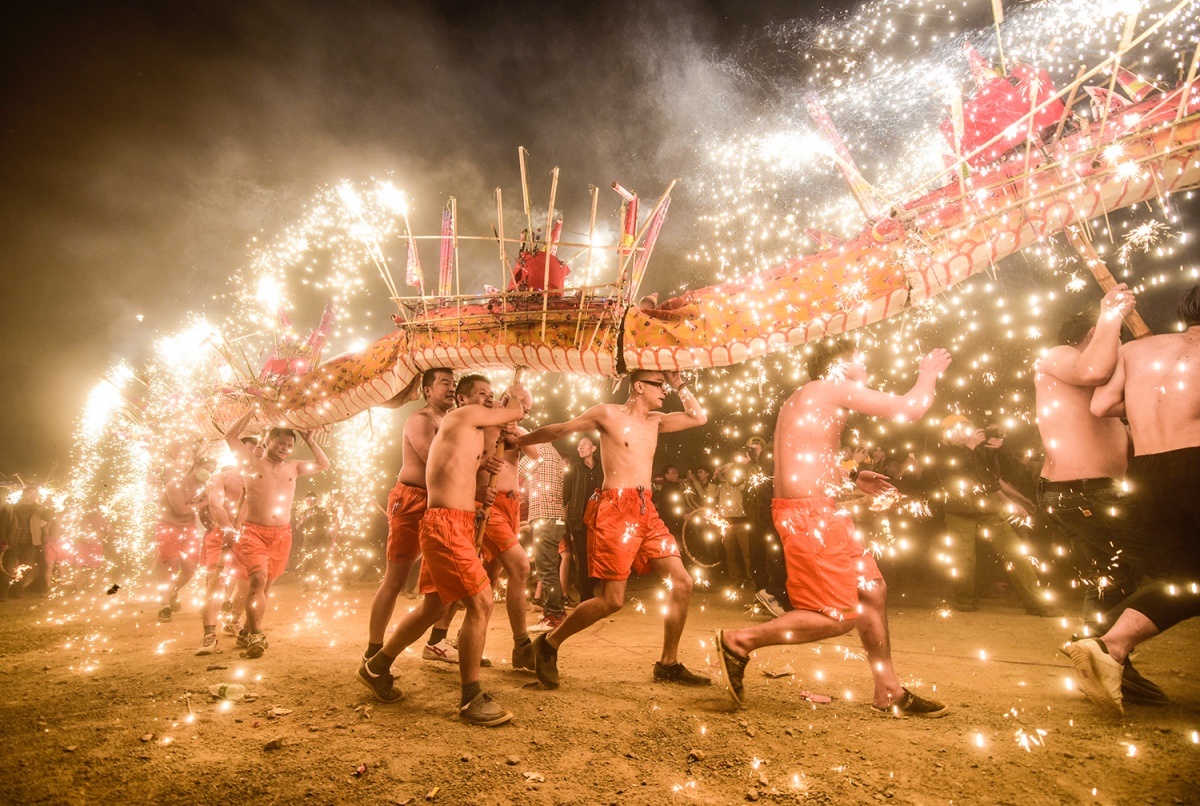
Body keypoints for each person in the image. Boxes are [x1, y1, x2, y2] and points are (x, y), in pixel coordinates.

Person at [715, 340, 952, 716]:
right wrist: (928, 372)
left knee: (872, 589)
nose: (866, 367)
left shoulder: (805, 395)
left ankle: (888, 691)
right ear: (840, 365)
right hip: (810, 517)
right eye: (860, 360)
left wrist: (854, 475)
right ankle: (739, 641)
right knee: (835, 616)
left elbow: (808, 456)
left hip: (820, 511)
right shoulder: (830, 386)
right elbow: (910, 409)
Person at [518, 369, 711, 690]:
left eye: (666, 385)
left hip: (646, 508)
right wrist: (519, 440)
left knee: (682, 582)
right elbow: (561, 429)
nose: (664, 391)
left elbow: (698, 417)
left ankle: (668, 663)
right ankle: (548, 645)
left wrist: (680, 384)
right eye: (659, 385)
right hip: (613, 510)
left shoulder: (656, 421)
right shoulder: (606, 413)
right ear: (638, 386)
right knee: (611, 601)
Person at [357, 375, 527, 727]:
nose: (488, 399)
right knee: (481, 601)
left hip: (459, 521)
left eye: (491, 395)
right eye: (482, 395)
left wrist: (483, 489)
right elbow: (515, 412)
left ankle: (376, 667)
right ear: (465, 399)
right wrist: (515, 399)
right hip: (445, 524)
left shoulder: (468, 430)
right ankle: (470, 697)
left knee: (435, 605)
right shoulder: (459, 418)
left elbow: (467, 468)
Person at [1065, 285, 1200, 715]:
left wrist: (1153, 400)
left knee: (1184, 578)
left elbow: (1102, 403)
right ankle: (1109, 644)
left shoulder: (1140, 350)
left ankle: (1108, 646)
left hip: (1149, 473)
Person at [1033, 286, 1166, 704]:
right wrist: (1112, 314)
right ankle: (1104, 651)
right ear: (1092, 331)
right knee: (1164, 565)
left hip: (1093, 491)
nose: (1119, 344)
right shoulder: (1054, 355)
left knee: (1114, 573)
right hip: (1080, 492)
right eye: (1112, 335)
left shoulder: (1100, 382)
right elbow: (1092, 369)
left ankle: (1103, 657)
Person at [364, 368, 468, 666]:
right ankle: (374, 649)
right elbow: (435, 462)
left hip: (442, 504)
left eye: (454, 383)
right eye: (444, 383)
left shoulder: (452, 422)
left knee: (448, 581)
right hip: (412, 500)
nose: (451, 388)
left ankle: (437, 642)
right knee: (395, 579)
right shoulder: (420, 420)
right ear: (427, 390)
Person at [225, 411, 330, 658]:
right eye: (280, 443)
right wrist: (252, 408)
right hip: (253, 532)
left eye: (290, 445)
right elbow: (230, 436)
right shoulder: (251, 463)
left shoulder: (293, 467)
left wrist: (310, 440)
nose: (285, 448)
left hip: (282, 534)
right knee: (258, 581)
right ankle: (257, 635)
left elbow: (324, 465)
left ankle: (248, 630)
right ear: (268, 441)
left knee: (267, 584)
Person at [935, 415, 1054, 615]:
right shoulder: (941, 452)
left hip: (989, 508)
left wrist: (1013, 498)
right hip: (959, 511)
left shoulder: (980, 450)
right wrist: (970, 448)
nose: (961, 432)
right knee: (963, 559)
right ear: (945, 435)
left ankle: (1036, 602)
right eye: (955, 429)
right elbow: (951, 473)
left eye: (964, 428)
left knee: (1016, 553)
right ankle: (964, 600)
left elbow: (992, 479)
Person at [476, 384, 538, 671]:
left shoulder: (520, 432)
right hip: (488, 504)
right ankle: (522, 645)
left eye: (527, 409)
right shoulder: (486, 425)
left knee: (489, 577)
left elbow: (536, 453)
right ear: (506, 400)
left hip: (512, 506)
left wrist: (518, 438)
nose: (523, 412)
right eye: (520, 404)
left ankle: (464, 639)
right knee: (521, 567)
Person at [195, 440, 257, 655]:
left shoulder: (259, 478)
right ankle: (209, 635)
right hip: (222, 535)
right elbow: (215, 504)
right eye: (245, 449)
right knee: (216, 581)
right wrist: (228, 527)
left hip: (248, 537)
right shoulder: (220, 477)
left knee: (248, 583)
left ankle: (233, 620)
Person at [154, 459, 215, 621]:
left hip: (189, 529)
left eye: (212, 470)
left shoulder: (204, 488)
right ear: (196, 466)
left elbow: (204, 511)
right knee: (171, 565)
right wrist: (205, 502)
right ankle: (164, 607)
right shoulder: (175, 485)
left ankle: (172, 592)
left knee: (190, 568)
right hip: (168, 527)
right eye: (207, 468)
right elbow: (181, 510)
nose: (208, 473)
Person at [742, 436, 789, 617]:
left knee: (775, 559)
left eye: (753, 445)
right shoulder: (756, 461)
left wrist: (749, 466)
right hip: (755, 520)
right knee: (756, 561)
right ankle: (761, 598)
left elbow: (764, 482)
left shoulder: (770, 456)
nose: (750, 448)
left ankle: (777, 597)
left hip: (770, 519)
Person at [527, 442, 568, 634]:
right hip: (553, 517)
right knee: (549, 569)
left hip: (546, 518)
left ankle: (553, 616)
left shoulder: (540, 449)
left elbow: (517, 470)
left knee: (546, 571)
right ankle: (556, 612)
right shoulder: (555, 453)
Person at [562, 435, 603, 603]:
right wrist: (563, 518)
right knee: (583, 558)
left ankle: (586, 584)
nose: (580, 448)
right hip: (578, 520)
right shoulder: (573, 469)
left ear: (593, 448)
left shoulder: (602, 468)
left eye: (584, 444)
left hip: (599, 519)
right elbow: (566, 495)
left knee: (600, 556)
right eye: (579, 445)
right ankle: (585, 597)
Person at [296, 493, 335, 589]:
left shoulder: (321, 511)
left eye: (312, 500)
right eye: (308, 500)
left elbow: (329, 523)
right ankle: (305, 585)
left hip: (321, 540)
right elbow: (297, 527)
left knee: (321, 562)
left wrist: (327, 535)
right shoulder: (303, 513)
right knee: (306, 563)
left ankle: (323, 583)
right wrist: (302, 521)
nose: (310, 502)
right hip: (308, 541)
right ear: (305, 501)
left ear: (316, 500)